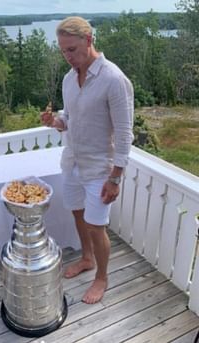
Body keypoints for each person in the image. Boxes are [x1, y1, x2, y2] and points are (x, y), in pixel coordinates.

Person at [41, 16, 134, 304]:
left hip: (100, 169)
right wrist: (55, 121)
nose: (68, 56)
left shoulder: (113, 79)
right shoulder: (70, 79)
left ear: (89, 40)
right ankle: (86, 258)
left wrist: (115, 177)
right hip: (72, 162)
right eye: (63, 50)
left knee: (97, 225)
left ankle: (102, 277)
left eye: (72, 49)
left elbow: (124, 133)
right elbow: (70, 118)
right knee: (78, 214)